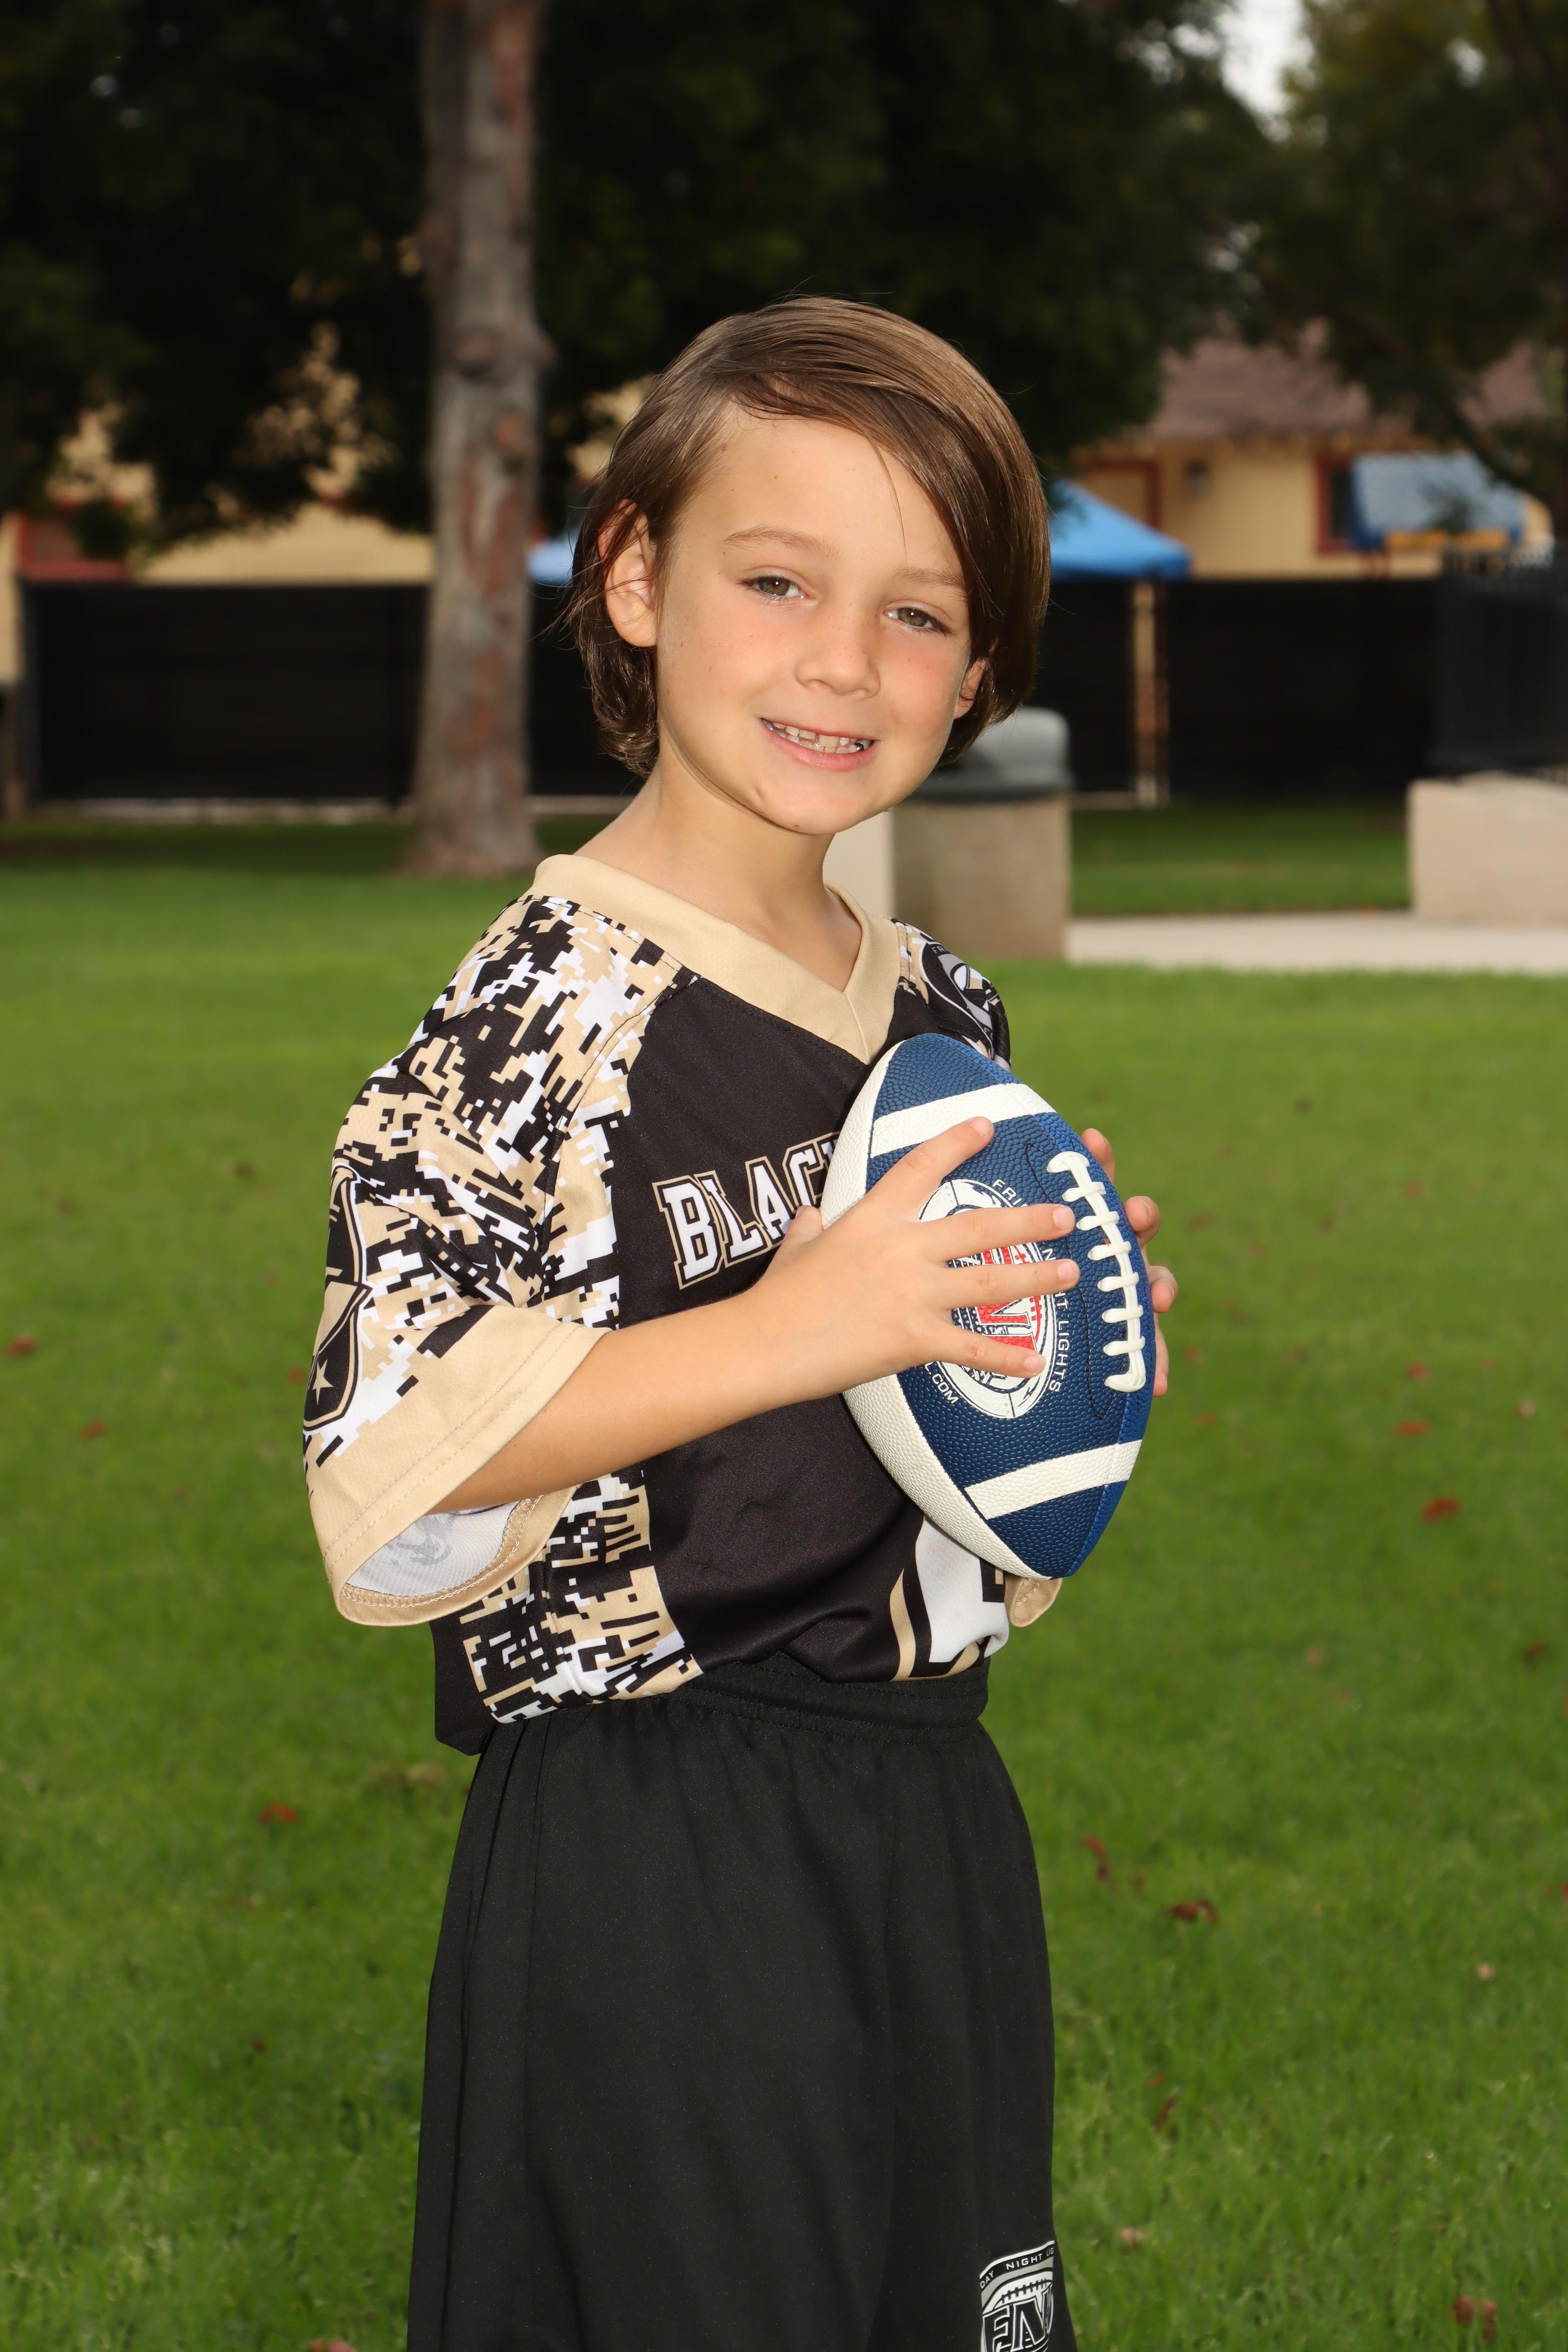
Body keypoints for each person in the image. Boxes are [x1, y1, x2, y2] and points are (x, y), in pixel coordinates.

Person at [303, 298, 1176, 2352]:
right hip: (655, 1834)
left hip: (927, 1803)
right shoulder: (531, 1018)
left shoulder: (945, 1015)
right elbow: (391, 1465)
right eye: (777, 582)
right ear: (633, 576)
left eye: (916, 614)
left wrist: (1043, 1352)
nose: (840, 661)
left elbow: (951, 1484)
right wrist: (808, 1318)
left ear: (979, 669)